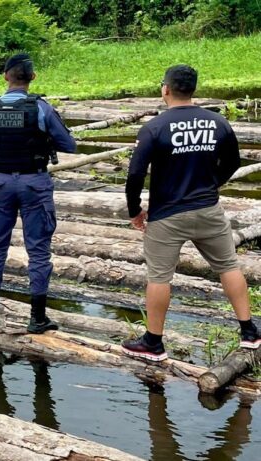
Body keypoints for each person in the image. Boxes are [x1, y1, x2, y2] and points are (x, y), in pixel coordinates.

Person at [122, 64, 260, 361]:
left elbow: (135, 175)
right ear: (192, 89)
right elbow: (233, 162)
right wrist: (213, 184)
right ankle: (250, 331)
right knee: (228, 266)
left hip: (167, 215)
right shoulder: (217, 122)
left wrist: (135, 211)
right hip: (208, 209)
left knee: (159, 277)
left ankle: (153, 342)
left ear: (166, 89)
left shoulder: (154, 128)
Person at [0, 53, 76, 333]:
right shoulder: (41, 107)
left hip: (0, 183)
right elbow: (69, 145)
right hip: (34, 183)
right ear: (32, 77)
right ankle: (37, 317)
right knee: (38, 250)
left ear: (6, 76)